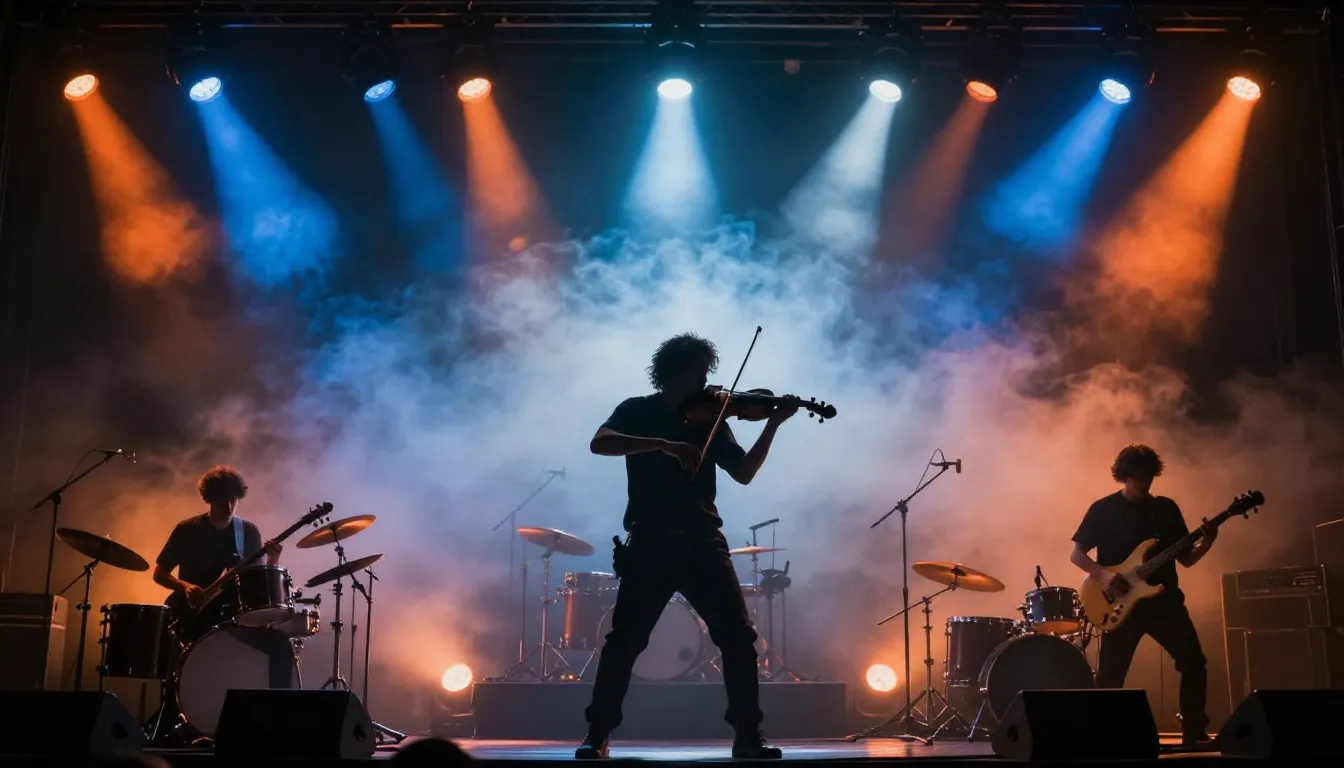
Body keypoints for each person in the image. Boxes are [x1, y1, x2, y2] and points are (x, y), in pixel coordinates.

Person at [575, 333, 798, 760]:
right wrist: (663, 444)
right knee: (624, 643)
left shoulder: (712, 420)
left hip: (703, 541)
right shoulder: (637, 410)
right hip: (650, 541)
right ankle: (597, 733)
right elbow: (599, 442)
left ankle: (747, 736)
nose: (707, 382)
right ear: (679, 372)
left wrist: (772, 424)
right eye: (700, 372)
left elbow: (744, 472)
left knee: (737, 639)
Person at [1069, 444, 1216, 745]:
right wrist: (1106, 577)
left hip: (1164, 603)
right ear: (1124, 476)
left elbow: (1187, 559)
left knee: (1193, 662)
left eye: (1148, 477)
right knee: (1110, 676)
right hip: (1120, 604)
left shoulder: (1165, 509)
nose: (1144, 483)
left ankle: (1194, 731)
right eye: (1138, 478)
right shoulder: (1103, 509)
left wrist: (1208, 542)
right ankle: (1101, 738)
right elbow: (1077, 555)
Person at [154, 465, 282, 628]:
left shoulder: (248, 532)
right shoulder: (187, 529)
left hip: (229, 619)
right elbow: (159, 574)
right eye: (222, 500)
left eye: (233, 499)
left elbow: (258, 582)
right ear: (209, 499)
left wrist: (273, 560)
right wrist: (185, 586)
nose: (228, 506)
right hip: (187, 616)